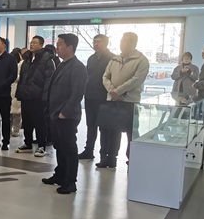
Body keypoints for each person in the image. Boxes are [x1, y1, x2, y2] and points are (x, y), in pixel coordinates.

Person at [42, 33, 87, 194]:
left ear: (70, 47)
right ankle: (60, 175)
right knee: (59, 146)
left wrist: (65, 112)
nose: (57, 47)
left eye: (60, 44)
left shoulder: (78, 67)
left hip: (66, 116)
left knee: (69, 148)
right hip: (55, 113)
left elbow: (77, 93)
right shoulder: (61, 64)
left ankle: (70, 181)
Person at [98, 32, 150, 169]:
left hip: (130, 102)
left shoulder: (141, 60)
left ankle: (132, 159)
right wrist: (112, 91)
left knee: (131, 132)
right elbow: (105, 76)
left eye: (124, 41)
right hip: (113, 100)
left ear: (133, 43)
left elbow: (137, 80)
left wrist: (119, 91)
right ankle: (110, 159)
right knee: (111, 130)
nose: (121, 44)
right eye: (121, 41)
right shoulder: (115, 59)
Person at [15, 35, 55, 156]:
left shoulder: (47, 60)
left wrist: (45, 97)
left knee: (39, 122)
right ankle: (27, 143)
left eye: (35, 43)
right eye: (31, 42)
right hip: (26, 95)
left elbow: (49, 80)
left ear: (41, 45)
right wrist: (20, 92)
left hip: (38, 96)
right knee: (26, 121)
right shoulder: (27, 59)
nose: (32, 44)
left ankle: (41, 145)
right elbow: (22, 78)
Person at [79, 34, 115, 160]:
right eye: (95, 42)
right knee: (91, 126)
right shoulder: (91, 58)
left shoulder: (112, 58)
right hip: (90, 96)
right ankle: (88, 150)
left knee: (104, 128)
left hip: (104, 97)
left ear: (106, 43)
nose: (96, 44)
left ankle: (104, 154)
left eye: (99, 42)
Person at [9, 48, 23, 137]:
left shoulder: (21, 64)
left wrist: (14, 77)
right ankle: (11, 130)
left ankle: (16, 130)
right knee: (11, 113)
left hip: (17, 90)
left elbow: (21, 77)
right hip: (12, 90)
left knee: (16, 113)